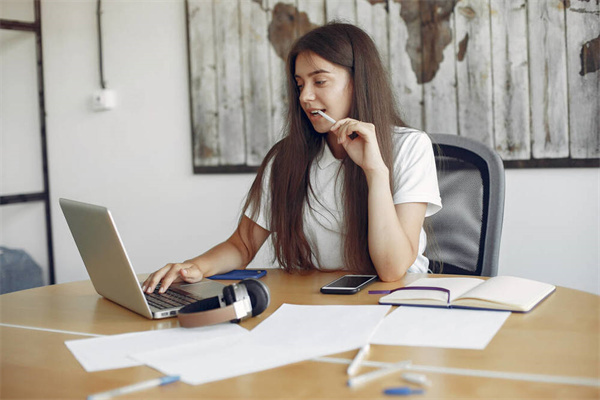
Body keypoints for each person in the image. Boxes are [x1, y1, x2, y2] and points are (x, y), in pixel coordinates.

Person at [143, 22, 441, 294]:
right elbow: (243, 244)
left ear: (358, 81)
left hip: (394, 301)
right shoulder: (288, 158)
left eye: (319, 82)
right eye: (300, 85)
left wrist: (375, 171)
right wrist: (194, 267)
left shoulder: (410, 147)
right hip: (321, 301)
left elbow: (392, 270)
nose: (304, 97)